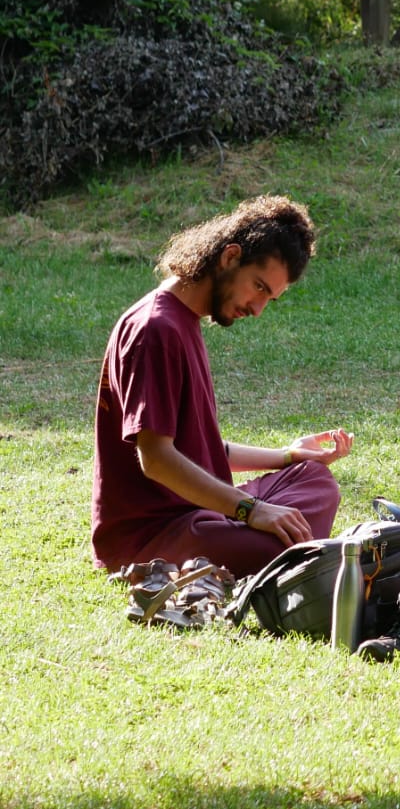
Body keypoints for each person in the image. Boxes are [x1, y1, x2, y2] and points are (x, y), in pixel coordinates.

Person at [90, 197, 351, 577]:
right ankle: (291, 557)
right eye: (258, 287)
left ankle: (289, 551)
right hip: (152, 536)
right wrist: (251, 510)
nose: (258, 309)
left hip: (202, 514)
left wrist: (288, 456)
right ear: (230, 257)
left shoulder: (184, 320)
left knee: (313, 479)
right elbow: (156, 458)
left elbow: (204, 449)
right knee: (277, 543)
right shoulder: (155, 330)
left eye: (269, 299)